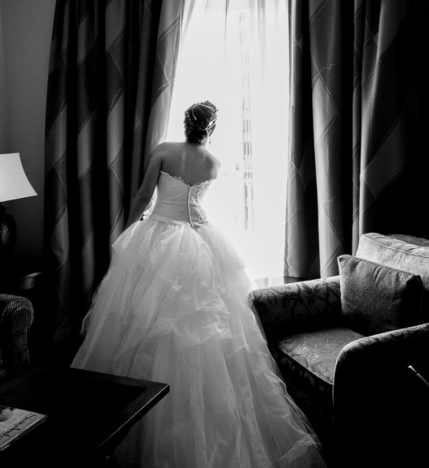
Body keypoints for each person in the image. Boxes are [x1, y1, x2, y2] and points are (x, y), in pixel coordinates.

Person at [71, 101, 327, 468]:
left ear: (186, 123)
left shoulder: (162, 150)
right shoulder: (213, 163)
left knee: (143, 322)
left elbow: (144, 196)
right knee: (207, 332)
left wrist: (130, 230)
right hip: (200, 238)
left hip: (159, 233)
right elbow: (194, 202)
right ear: (210, 128)